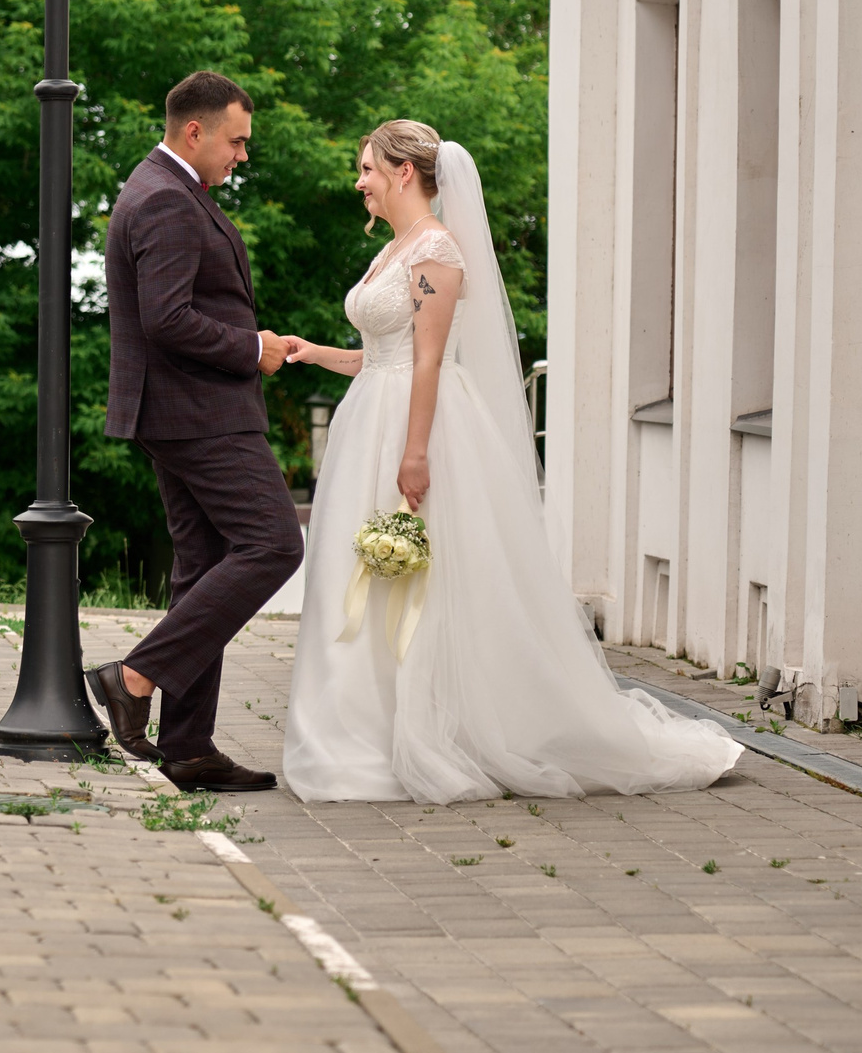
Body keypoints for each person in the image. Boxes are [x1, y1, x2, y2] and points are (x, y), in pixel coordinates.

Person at [276, 120, 739, 802]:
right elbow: (384, 355)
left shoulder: (436, 251)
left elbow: (429, 359)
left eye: (368, 167)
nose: (360, 180)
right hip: (370, 422)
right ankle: (363, 727)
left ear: (405, 172)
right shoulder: (396, 249)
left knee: (421, 586)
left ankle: (435, 727)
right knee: (366, 582)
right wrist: (313, 352)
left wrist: (415, 452)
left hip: (416, 428)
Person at [86, 71, 299, 793]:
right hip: (198, 413)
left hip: (179, 411)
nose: (242, 155)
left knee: (204, 566)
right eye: (237, 140)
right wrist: (252, 348)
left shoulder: (163, 189)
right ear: (195, 131)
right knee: (274, 543)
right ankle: (132, 674)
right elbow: (167, 319)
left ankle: (187, 746)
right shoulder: (166, 201)